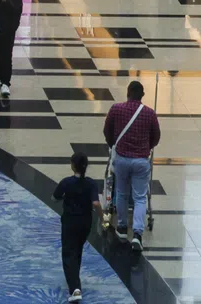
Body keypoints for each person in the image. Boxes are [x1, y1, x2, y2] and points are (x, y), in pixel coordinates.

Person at [103, 80, 161, 252]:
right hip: (141, 161)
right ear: (142, 95)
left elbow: (107, 131)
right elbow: (156, 137)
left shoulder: (116, 109)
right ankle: (137, 234)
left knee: (121, 192)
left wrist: (114, 144)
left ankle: (121, 227)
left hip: (121, 159)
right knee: (140, 197)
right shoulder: (150, 113)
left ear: (127, 93)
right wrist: (146, 147)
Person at [55, 152, 101, 303]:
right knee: (77, 250)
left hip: (70, 222)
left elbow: (55, 196)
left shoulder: (66, 183)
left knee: (69, 254)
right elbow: (95, 203)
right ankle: (75, 280)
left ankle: (75, 288)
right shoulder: (91, 184)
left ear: (72, 165)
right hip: (86, 223)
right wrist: (103, 217)